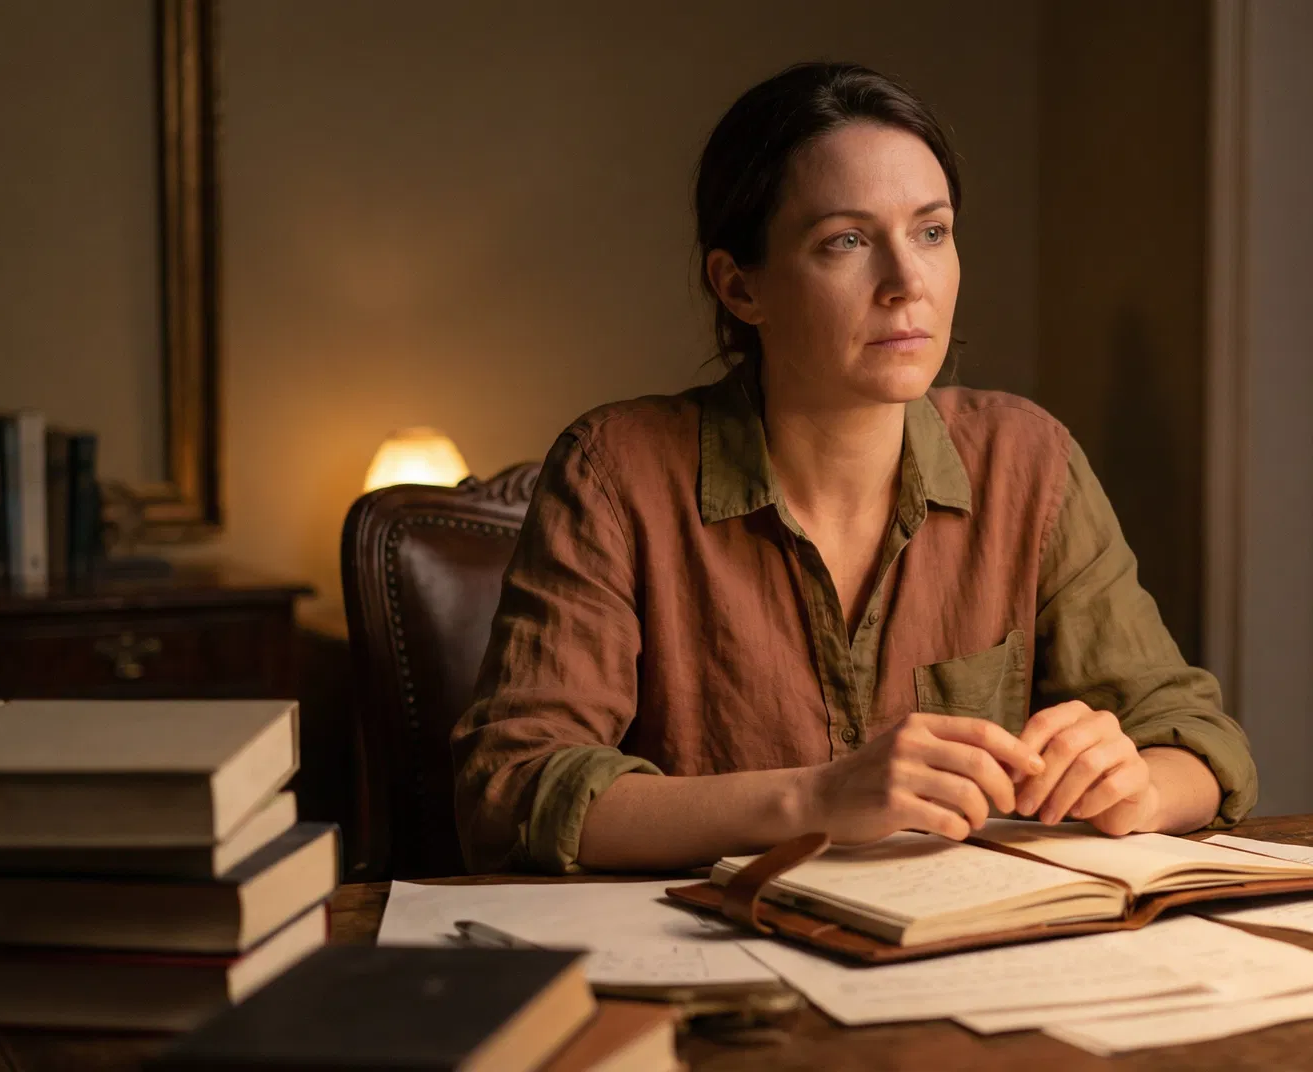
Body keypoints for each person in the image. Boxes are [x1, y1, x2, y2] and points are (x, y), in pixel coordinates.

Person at [452, 62, 1257, 874]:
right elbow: (514, 784)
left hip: (967, 957)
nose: (907, 283)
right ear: (740, 287)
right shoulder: (616, 473)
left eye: (932, 232)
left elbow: (1196, 738)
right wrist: (816, 801)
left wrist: (1139, 785)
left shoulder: (1029, 459)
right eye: (846, 241)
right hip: (722, 966)